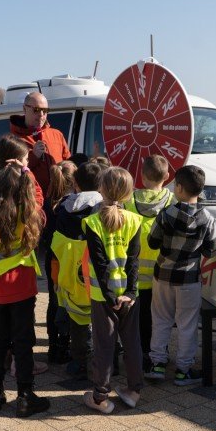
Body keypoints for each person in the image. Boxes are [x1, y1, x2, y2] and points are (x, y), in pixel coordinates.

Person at [0, 163, 51, 418]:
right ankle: (25, 396)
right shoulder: (28, 213)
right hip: (23, 287)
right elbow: (39, 199)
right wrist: (28, 172)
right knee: (23, 343)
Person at [145, 165, 216, 385]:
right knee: (187, 324)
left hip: (163, 276)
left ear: (178, 188)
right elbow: (211, 249)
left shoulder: (165, 214)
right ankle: (182, 371)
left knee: (160, 320)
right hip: (189, 279)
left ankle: (157, 365)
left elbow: (152, 241)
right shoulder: (207, 218)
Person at [82, 167, 143, 413]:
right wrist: (131, 292)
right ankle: (134, 392)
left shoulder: (92, 222)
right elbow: (134, 261)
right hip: (128, 296)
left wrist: (109, 296)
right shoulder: (134, 220)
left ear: (101, 190)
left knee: (104, 345)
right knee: (132, 343)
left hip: (102, 296)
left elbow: (99, 264)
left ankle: (100, 398)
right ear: (128, 194)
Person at [51, 161, 105, 379]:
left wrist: (56, 278)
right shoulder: (104, 208)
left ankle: (78, 363)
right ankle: (105, 362)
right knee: (102, 321)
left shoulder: (63, 209)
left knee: (77, 321)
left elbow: (55, 247)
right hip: (97, 274)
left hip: (70, 274)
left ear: (75, 183)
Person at [124, 155, 174, 373]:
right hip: (162, 275)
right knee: (161, 319)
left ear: (142, 176)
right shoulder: (172, 201)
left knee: (139, 319)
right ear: (167, 177)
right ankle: (159, 355)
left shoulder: (129, 200)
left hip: (134, 275)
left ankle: (140, 353)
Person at [44, 160, 77, 364]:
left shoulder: (48, 201)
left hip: (52, 258)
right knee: (68, 302)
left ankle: (53, 345)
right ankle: (65, 344)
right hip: (69, 258)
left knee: (53, 301)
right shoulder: (73, 204)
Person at [9, 92, 71, 195]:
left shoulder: (57, 135)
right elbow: (11, 173)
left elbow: (68, 163)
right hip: (31, 200)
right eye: (36, 110)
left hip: (59, 199)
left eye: (45, 111)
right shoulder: (14, 139)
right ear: (24, 109)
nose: (41, 115)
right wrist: (34, 156)